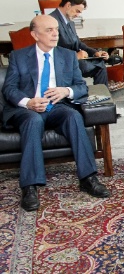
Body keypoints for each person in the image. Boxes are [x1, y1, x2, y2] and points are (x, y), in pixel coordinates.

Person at [2, 15, 111, 212]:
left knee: (73, 116)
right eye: (49, 30)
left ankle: (88, 178)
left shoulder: (67, 56)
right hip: (28, 109)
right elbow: (9, 89)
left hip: (56, 107)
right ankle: (30, 187)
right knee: (33, 120)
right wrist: (29, 102)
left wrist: (65, 91)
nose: (55, 34)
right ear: (35, 35)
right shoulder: (18, 56)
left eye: (56, 30)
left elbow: (80, 87)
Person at [49, 0, 109, 86]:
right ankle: (102, 96)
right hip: (62, 63)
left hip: (73, 60)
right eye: (77, 11)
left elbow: (78, 43)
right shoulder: (51, 21)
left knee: (100, 62)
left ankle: (101, 96)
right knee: (99, 66)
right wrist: (75, 56)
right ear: (68, 5)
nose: (78, 15)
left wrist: (94, 52)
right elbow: (50, 50)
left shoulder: (69, 21)